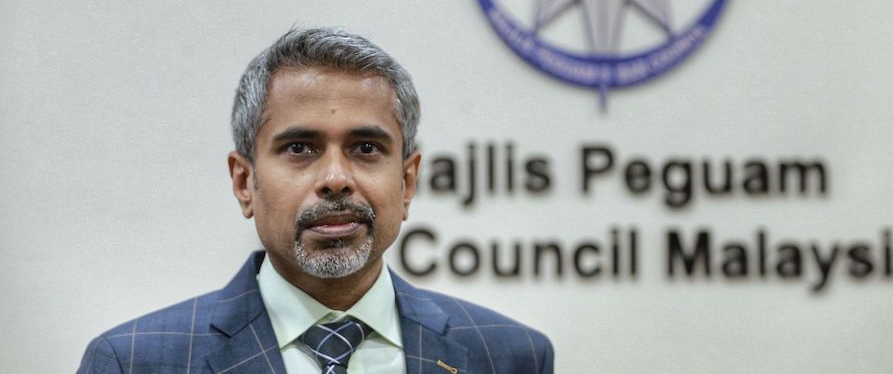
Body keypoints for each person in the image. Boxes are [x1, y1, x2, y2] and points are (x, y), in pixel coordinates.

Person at [77, 27, 554, 373]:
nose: (335, 178)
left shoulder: (512, 356)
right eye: (299, 148)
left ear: (407, 182)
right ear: (245, 182)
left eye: (366, 148)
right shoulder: (134, 361)